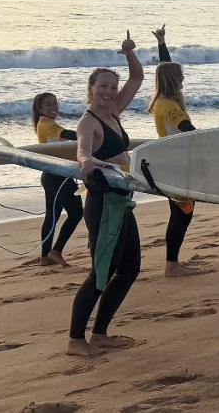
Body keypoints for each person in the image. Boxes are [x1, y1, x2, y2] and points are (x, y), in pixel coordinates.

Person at [67, 31, 144, 357]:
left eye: (113, 86)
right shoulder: (89, 121)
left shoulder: (113, 113)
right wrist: (87, 162)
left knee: (130, 268)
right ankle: (75, 340)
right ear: (91, 89)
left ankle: (99, 333)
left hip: (122, 200)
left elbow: (138, 77)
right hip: (101, 203)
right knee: (102, 270)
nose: (110, 91)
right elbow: (82, 151)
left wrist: (128, 52)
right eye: (104, 86)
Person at [148, 25, 199, 277]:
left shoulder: (164, 99)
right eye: (180, 76)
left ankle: (173, 262)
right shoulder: (168, 105)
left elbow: (165, 67)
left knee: (181, 214)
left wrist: (162, 43)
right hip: (177, 166)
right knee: (181, 216)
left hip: (174, 164)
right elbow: (188, 129)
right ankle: (171, 266)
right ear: (172, 80)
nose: (183, 79)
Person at [31, 93, 83, 267]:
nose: (53, 107)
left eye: (55, 103)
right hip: (58, 177)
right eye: (48, 104)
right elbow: (70, 134)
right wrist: (92, 132)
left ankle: (45, 256)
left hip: (50, 175)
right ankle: (56, 251)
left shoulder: (46, 124)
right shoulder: (46, 124)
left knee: (52, 216)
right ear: (39, 109)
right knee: (76, 213)